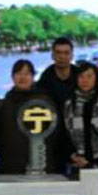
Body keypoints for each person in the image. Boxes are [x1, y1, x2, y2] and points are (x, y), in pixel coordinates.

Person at [0, 59, 58, 175]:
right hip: (11, 166)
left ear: (33, 77)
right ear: (12, 77)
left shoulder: (44, 102)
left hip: (39, 163)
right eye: (19, 73)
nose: (23, 77)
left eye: (27, 73)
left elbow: (53, 134)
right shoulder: (5, 103)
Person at [62, 61, 98, 171]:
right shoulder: (69, 103)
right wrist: (72, 155)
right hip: (75, 160)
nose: (85, 80)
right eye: (81, 76)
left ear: (96, 79)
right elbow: (63, 132)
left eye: (89, 76)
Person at [37, 37, 78, 173]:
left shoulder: (79, 76)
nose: (62, 56)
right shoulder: (45, 79)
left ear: (72, 55)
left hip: (77, 137)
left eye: (66, 53)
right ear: (52, 55)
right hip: (53, 139)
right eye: (58, 53)